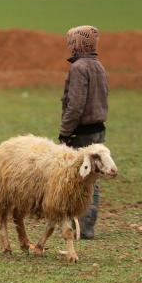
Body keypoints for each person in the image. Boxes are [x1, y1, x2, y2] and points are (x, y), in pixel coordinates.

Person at [58, 25, 109, 239]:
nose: (69, 46)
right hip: (98, 129)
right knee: (93, 180)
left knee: (78, 179)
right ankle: (88, 227)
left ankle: (80, 227)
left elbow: (76, 104)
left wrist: (65, 132)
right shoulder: (98, 66)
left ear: (78, 43)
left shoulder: (79, 67)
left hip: (82, 131)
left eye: (71, 42)